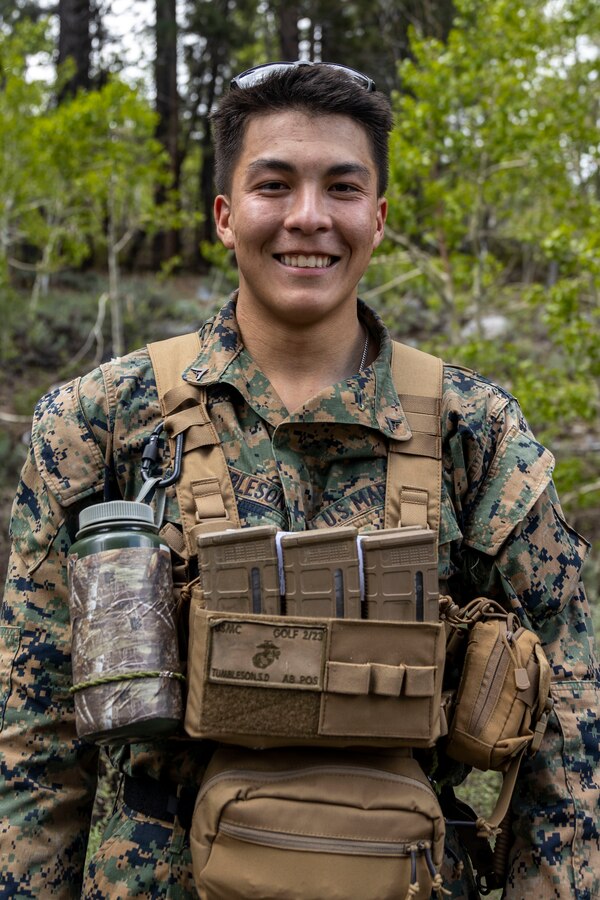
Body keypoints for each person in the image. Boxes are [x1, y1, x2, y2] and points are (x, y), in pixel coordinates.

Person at [0, 60, 598, 899]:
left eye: (342, 188)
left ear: (379, 217)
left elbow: (571, 719)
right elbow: (36, 731)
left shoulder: (476, 432)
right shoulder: (98, 423)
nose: (308, 218)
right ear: (224, 214)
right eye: (273, 185)